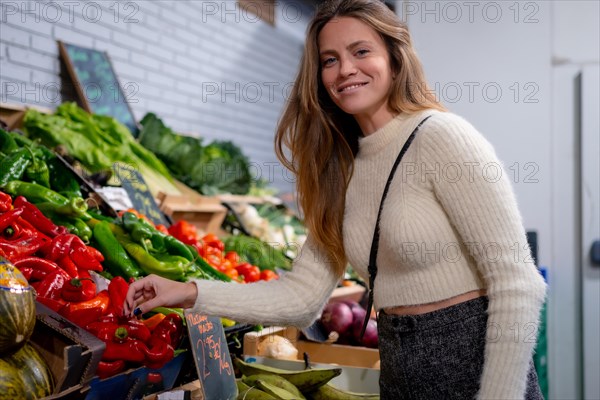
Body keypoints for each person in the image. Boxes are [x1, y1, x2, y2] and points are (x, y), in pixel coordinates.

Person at [125, 1, 547, 398]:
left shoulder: (441, 137)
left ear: (394, 58)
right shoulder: (343, 168)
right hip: (400, 370)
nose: (345, 70)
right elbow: (302, 297)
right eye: (330, 60)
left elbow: (518, 283)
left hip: (474, 364)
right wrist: (189, 292)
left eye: (361, 51)